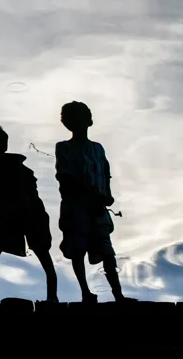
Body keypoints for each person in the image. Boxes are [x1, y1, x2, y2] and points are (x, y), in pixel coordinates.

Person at [0, 124, 58, 307]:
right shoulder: (18, 168)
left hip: (25, 216)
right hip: (18, 216)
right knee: (42, 258)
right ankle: (52, 297)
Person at [55, 101, 132, 303]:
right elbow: (65, 177)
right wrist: (89, 194)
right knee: (78, 249)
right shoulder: (64, 147)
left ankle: (118, 294)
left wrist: (106, 195)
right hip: (76, 207)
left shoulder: (98, 148)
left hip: (98, 208)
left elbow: (105, 174)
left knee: (107, 251)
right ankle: (85, 292)